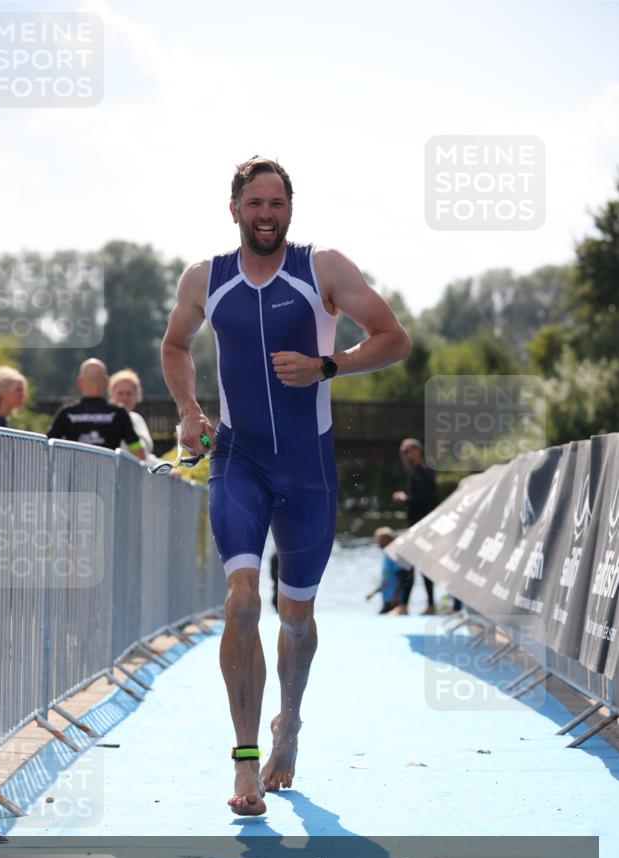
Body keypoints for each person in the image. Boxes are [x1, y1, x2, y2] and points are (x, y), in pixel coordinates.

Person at [161, 155, 411, 816]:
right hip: (238, 459)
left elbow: (392, 337)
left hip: (308, 469)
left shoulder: (321, 268)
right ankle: (244, 764)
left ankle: (288, 724)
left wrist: (328, 365)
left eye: (276, 203)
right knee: (242, 599)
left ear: (288, 210)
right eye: (255, 203)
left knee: (295, 617)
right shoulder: (203, 278)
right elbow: (175, 346)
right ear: (234, 209)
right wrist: (189, 413)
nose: (266, 214)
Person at [47, 358, 146, 459]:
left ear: (79, 382)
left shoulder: (67, 413)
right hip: (109, 473)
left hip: (75, 473)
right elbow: (137, 449)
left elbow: (47, 447)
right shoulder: (118, 413)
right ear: (106, 382)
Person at [392, 437, 437, 613]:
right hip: (417, 529)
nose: (406, 456)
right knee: (411, 566)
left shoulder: (424, 472)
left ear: (418, 451)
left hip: (423, 529)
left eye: (408, 451)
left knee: (412, 566)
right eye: (403, 453)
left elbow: (425, 500)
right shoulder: (419, 473)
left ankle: (409, 606)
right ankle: (421, 605)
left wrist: (404, 498)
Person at [108, 368, 157, 463]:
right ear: (111, 394)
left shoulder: (138, 419)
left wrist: (167, 468)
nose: (124, 398)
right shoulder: (105, 419)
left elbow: (145, 457)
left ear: (137, 396)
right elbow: (139, 455)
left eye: (129, 393)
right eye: (120, 393)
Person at [365, 526, 406, 614]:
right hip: (387, 599)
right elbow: (385, 580)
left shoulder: (395, 555)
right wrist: (373, 593)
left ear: (389, 539)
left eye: (381, 540)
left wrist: (395, 596)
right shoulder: (386, 556)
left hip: (394, 600)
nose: (378, 542)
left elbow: (401, 576)